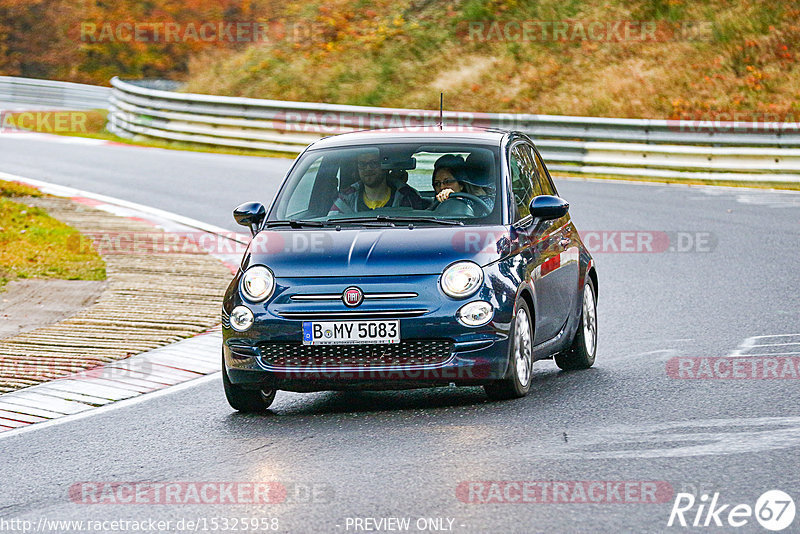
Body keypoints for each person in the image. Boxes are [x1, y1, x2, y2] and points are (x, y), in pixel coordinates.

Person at [329, 150, 426, 214]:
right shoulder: (345, 199)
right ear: (357, 168)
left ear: (384, 167)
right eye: (362, 164)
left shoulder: (408, 198)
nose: (368, 168)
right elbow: (330, 223)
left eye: (373, 163)